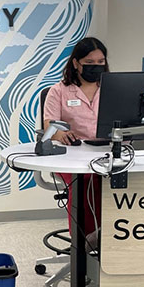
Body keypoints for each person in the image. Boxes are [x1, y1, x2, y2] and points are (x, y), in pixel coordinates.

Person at [43, 37, 108, 240]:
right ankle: (84, 243)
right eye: (89, 63)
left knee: (131, 180)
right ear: (76, 63)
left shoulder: (113, 88)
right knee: (88, 180)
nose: (95, 67)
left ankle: (114, 239)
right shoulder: (59, 91)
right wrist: (61, 134)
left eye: (100, 62)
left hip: (108, 151)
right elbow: (49, 125)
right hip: (71, 156)